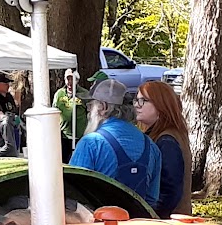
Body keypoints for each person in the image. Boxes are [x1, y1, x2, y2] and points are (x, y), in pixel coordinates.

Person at [68, 78, 161, 207]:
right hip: (139, 224)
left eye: (90, 105)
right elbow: (151, 199)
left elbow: (72, 193)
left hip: (99, 224)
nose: (88, 111)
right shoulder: (151, 146)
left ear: (103, 108)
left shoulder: (91, 143)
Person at [135, 79, 192, 216]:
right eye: (136, 100)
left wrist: (151, 216)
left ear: (161, 105)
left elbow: (170, 191)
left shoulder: (167, 140)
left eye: (143, 100)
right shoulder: (165, 134)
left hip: (169, 223)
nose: (137, 105)